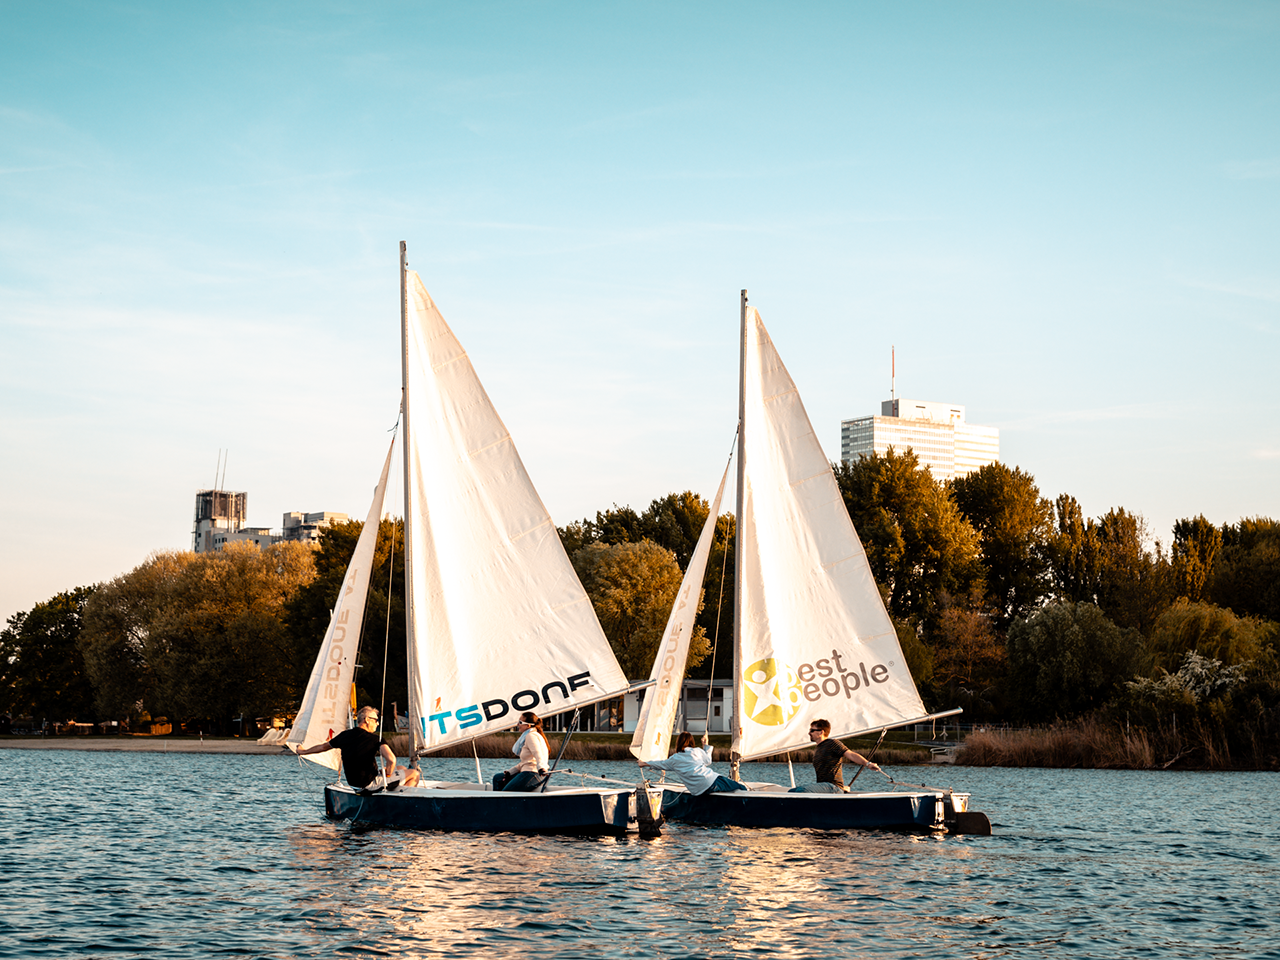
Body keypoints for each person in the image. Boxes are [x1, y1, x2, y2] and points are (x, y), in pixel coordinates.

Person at [296, 706, 420, 790]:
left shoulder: (344, 735)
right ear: (366, 720)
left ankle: (392, 787)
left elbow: (323, 747)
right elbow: (391, 759)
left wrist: (303, 751)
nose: (377, 723)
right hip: (369, 784)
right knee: (414, 773)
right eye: (376, 720)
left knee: (402, 768)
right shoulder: (375, 739)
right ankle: (399, 801)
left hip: (353, 783)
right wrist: (387, 776)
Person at [638, 731, 747, 795]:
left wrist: (644, 763)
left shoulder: (674, 759)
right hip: (711, 781)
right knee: (741, 788)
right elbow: (708, 760)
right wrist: (705, 745)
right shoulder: (697, 751)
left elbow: (660, 764)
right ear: (691, 742)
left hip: (698, 790)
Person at [789, 718, 880, 793]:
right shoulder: (818, 748)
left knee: (802, 790)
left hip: (833, 787)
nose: (809, 733)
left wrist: (868, 764)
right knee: (792, 792)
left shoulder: (832, 743)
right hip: (825, 787)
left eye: (812, 730)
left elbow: (851, 754)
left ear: (821, 732)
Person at [501, 712, 551, 791]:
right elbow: (527, 761)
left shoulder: (531, 736)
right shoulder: (530, 735)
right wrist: (509, 772)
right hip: (528, 772)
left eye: (520, 722)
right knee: (497, 778)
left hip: (532, 773)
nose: (517, 724)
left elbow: (537, 753)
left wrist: (541, 768)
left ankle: (498, 801)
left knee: (505, 793)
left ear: (528, 725)